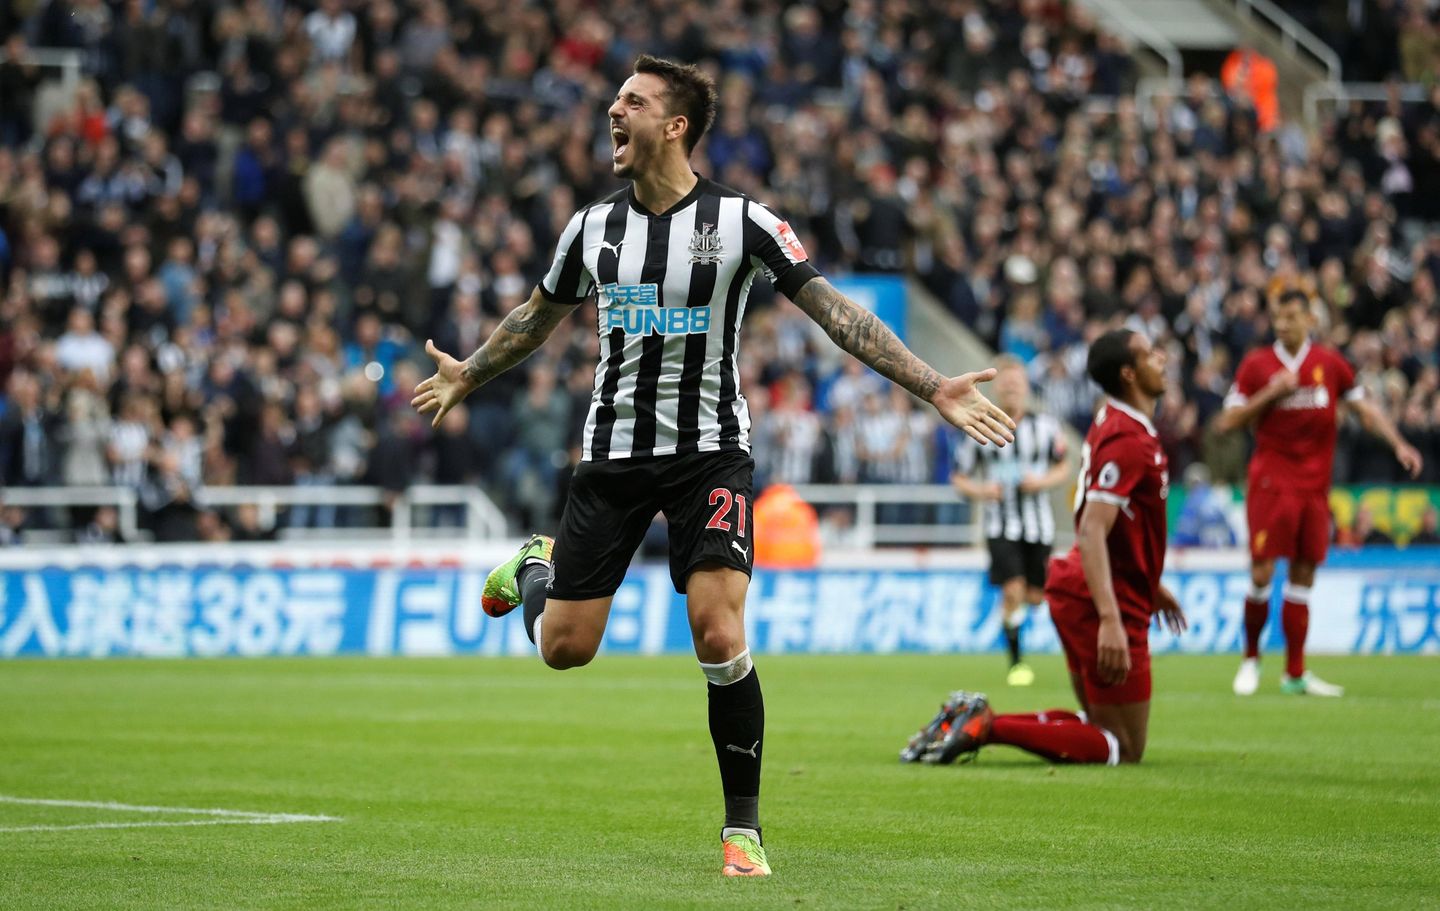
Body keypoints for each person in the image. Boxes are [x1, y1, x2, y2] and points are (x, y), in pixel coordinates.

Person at [411, 55, 1015, 877]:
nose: (612, 112)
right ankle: (535, 567)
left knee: (719, 629)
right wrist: (469, 372)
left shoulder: (744, 223)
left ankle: (743, 830)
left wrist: (933, 383)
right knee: (564, 649)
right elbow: (536, 315)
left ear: (675, 125)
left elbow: (835, 311)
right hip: (616, 455)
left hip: (710, 456)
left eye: (632, 101)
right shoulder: (591, 229)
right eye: (615, 99)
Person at [903, 329, 1184, 766]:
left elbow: (1107, 516)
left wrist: (1149, 579)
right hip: (1102, 594)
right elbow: (1092, 530)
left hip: (1085, 579)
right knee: (1123, 747)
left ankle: (975, 718)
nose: (1161, 359)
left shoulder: (1108, 422)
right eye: (1150, 354)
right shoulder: (1128, 438)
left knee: (1097, 720)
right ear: (1129, 374)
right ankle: (987, 723)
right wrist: (1111, 616)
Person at [1216, 289, 1423, 697]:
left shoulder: (1330, 364)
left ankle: (1294, 673)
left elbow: (1365, 410)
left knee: (1304, 573)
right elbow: (1227, 421)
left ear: (1310, 319)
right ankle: (1251, 660)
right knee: (1260, 573)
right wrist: (1272, 393)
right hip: (1271, 482)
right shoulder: (1257, 365)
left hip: (1314, 485)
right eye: (1278, 317)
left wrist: (1398, 443)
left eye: (1291, 317)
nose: (1282, 324)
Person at [950, 357, 1070, 686]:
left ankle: (1017, 636)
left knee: (1035, 596)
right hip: (1000, 525)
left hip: (1038, 526)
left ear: (1027, 389)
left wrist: (1042, 482)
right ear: (997, 390)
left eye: (1017, 385)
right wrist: (982, 490)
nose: (1011, 390)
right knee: (1013, 589)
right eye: (1006, 385)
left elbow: (1063, 466)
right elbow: (959, 477)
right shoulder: (978, 424)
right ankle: (1017, 664)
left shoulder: (1045, 427)